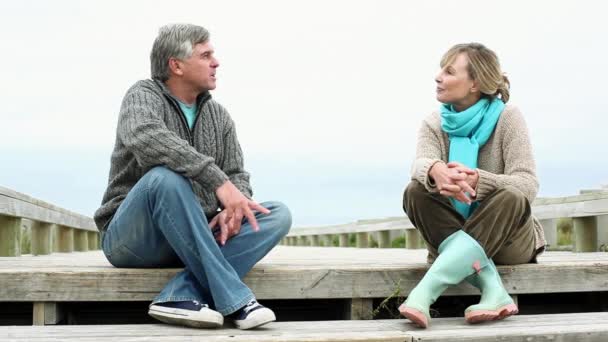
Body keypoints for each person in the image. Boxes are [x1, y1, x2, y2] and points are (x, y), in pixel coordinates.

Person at [94, 23, 292, 330]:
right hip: (134, 240)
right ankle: (236, 301)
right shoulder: (142, 96)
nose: (216, 62)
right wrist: (217, 181)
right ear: (176, 65)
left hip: (191, 236)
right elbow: (146, 137)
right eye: (206, 55)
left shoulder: (219, 116)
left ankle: (179, 294)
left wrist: (233, 207)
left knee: (276, 214)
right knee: (164, 177)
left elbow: (236, 172)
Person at [398, 43, 545, 328]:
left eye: (449, 71)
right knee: (415, 190)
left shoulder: (508, 118)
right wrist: (434, 170)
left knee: (512, 196)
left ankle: (425, 291)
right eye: (441, 69)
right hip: (453, 228)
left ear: (475, 83)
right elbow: (418, 165)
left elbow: (528, 184)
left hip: (508, 240)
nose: (438, 76)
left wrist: (480, 181)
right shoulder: (434, 123)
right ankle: (493, 289)